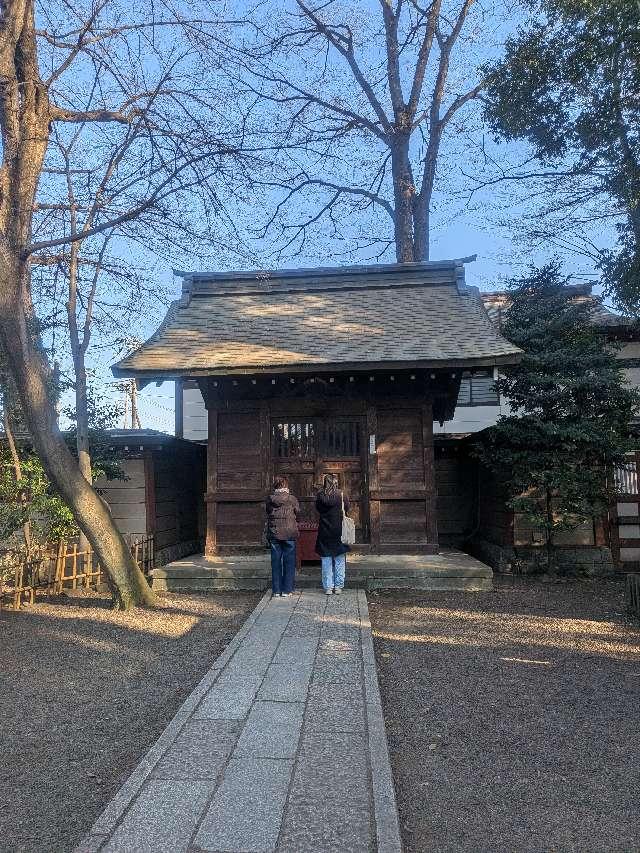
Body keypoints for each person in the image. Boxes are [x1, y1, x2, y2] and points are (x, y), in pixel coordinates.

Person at [315, 474, 350, 595]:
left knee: (326, 560)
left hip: (325, 530)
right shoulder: (341, 494)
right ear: (335, 482)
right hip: (339, 530)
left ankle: (328, 587)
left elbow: (318, 509)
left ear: (325, 483)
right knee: (339, 559)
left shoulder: (320, 495)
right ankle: (339, 586)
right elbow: (347, 508)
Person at [266, 476, 300, 598]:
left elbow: (268, 512)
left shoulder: (270, 499)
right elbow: (297, 512)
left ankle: (276, 590)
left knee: (275, 562)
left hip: (275, 532)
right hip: (289, 532)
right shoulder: (292, 499)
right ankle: (287, 590)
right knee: (289, 562)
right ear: (286, 486)